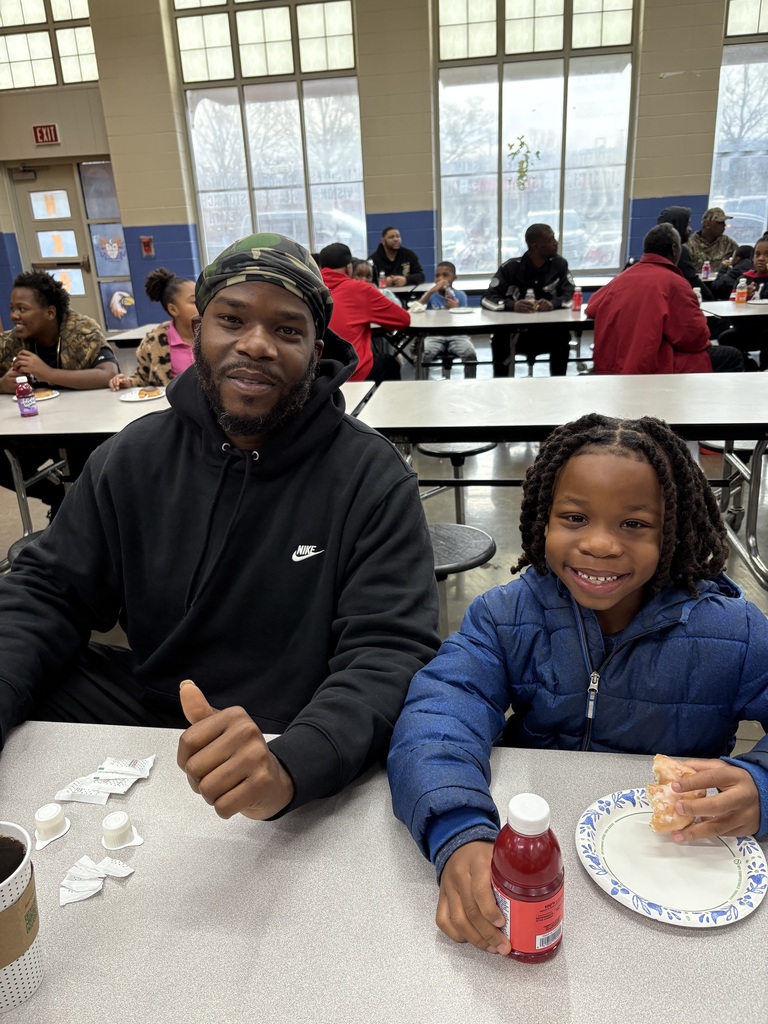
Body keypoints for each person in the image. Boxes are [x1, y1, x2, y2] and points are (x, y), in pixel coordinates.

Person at [0, 233, 440, 821]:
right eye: (231, 319)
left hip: (296, 727)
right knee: (27, 671)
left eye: (288, 330)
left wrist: (293, 765)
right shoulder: (133, 458)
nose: (256, 345)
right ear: (194, 331)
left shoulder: (369, 477)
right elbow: (45, 592)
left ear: (316, 351)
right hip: (156, 710)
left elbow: (389, 650)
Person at [388, 413, 768, 956]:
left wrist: (760, 785)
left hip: (681, 870)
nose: (599, 545)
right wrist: (458, 829)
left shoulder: (734, 631)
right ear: (543, 519)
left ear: (675, 528)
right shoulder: (506, 615)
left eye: (634, 525)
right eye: (574, 517)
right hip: (538, 856)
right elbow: (439, 715)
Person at [0, 270, 118, 517]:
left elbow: (107, 373)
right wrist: (2, 384)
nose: (14, 316)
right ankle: (60, 499)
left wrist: (47, 373)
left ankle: (77, 508)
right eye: (12, 308)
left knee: (87, 460)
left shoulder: (81, 331)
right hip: (36, 429)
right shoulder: (11, 342)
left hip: (83, 426)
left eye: (22, 309)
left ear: (50, 313)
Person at [587, 224, 745, 374]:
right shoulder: (674, 283)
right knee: (732, 356)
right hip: (653, 365)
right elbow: (694, 339)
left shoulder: (621, 278)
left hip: (611, 365)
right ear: (675, 249)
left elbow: (591, 307)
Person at [481, 223, 574, 377]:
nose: (555, 243)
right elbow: (487, 299)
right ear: (535, 246)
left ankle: (558, 386)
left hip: (548, 333)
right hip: (516, 335)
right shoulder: (510, 268)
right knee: (500, 339)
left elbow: (571, 295)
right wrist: (512, 305)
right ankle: (501, 388)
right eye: (551, 240)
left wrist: (553, 304)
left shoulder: (559, 265)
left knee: (562, 336)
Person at [318, 242, 408, 382]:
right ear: (349, 268)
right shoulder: (360, 289)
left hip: (320, 378)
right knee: (390, 363)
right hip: (354, 373)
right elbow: (403, 320)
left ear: (320, 268)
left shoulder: (311, 289)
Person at [109, 268, 198, 390]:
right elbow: (143, 378)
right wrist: (126, 382)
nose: (201, 304)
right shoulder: (154, 342)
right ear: (173, 309)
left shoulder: (213, 335)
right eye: (194, 301)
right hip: (175, 406)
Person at [418, 261, 477, 379]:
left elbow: (465, 321)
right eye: (437, 275)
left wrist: (456, 309)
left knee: (470, 355)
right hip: (434, 334)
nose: (441, 279)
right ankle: (421, 384)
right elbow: (416, 309)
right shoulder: (430, 295)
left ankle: (470, 384)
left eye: (445, 275)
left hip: (457, 335)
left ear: (454, 278)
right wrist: (430, 293)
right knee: (424, 355)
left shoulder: (460, 295)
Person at [716, 238, 768, 370]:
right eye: (757, 254)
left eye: (767, 255)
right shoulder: (743, 279)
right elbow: (732, 306)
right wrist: (745, 296)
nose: (761, 258)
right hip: (746, 327)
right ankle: (747, 365)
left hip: (766, 327)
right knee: (725, 338)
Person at [656, 206, 713, 299]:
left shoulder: (653, 247)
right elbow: (691, 280)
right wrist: (711, 297)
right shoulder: (679, 252)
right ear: (678, 225)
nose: (690, 229)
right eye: (687, 224)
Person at [686, 207, 738, 274]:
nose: (724, 225)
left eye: (724, 222)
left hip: (722, 282)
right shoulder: (690, 245)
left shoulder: (728, 243)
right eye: (720, 222)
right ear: (707, 224)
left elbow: (741, 260)